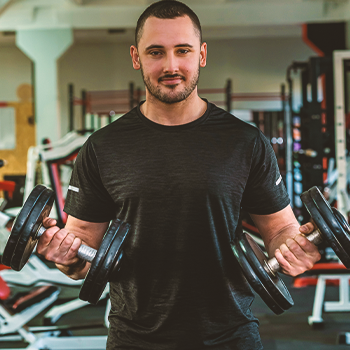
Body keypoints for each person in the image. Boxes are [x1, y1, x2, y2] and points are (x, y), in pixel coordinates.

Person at [37, 1, 321, 349]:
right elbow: (82, 251)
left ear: (201, 54)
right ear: (136, 57)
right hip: (135, 339)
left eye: (182, 50)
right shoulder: (102, 147)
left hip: (230, 336)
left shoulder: (245, 142)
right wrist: (66, 256)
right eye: (156, 52)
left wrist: (294, 248)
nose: (170, 66)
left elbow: (279, 229)